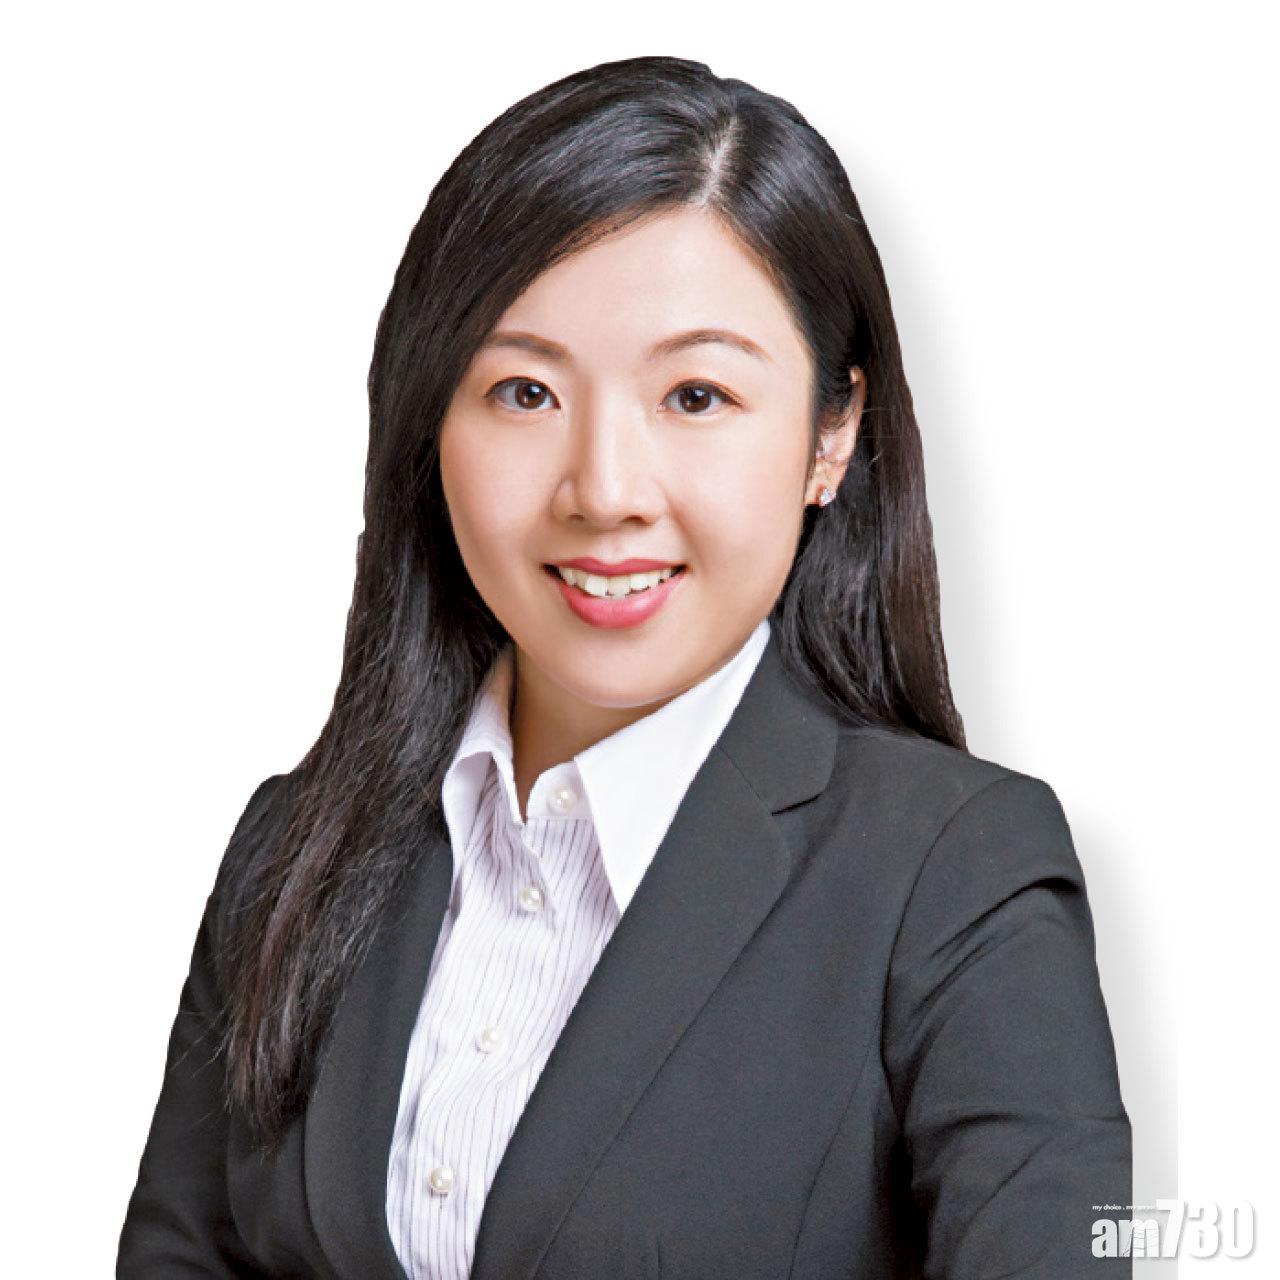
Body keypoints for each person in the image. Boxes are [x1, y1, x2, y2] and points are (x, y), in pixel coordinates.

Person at [117, 54, 1131, 1279]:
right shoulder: (292, 851)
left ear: (831, 433)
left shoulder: (954, 872)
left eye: (694, 395)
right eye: (523, 390)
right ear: (428, 418)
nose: (603, 490)